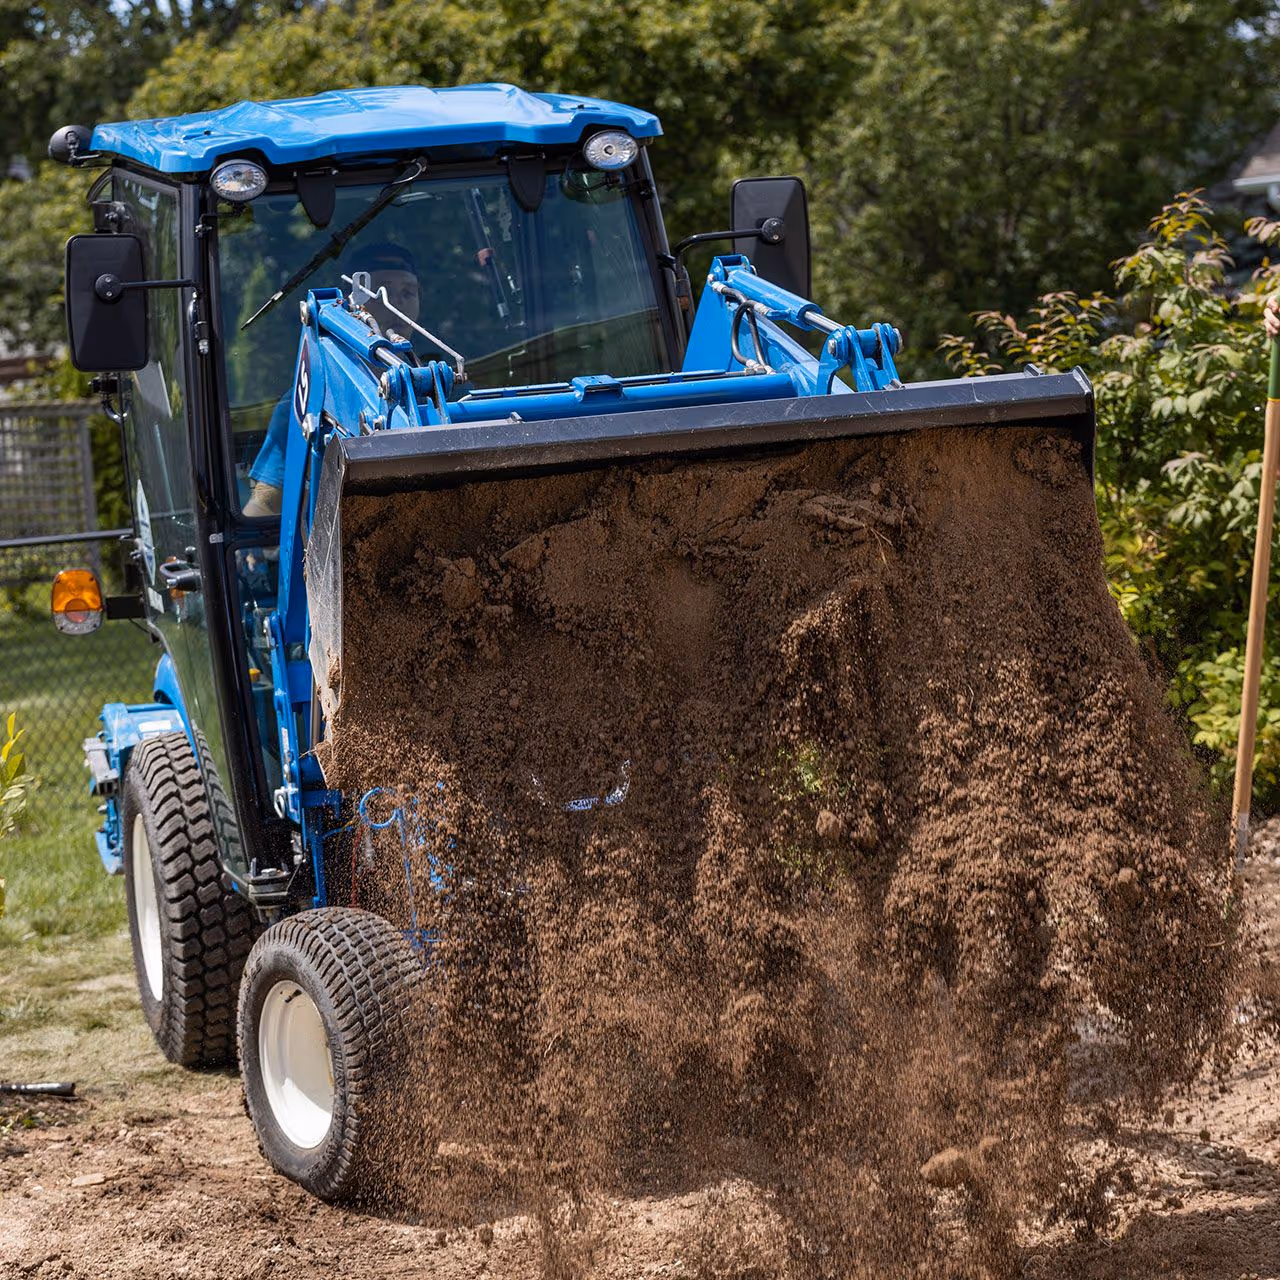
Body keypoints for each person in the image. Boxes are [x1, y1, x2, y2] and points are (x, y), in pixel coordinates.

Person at [242, 241, 434, 518]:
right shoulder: (306, 401)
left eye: (408, 292)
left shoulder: (445, 389)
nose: (399, 303)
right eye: (383, 292)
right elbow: (263, 507)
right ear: (353, 304)